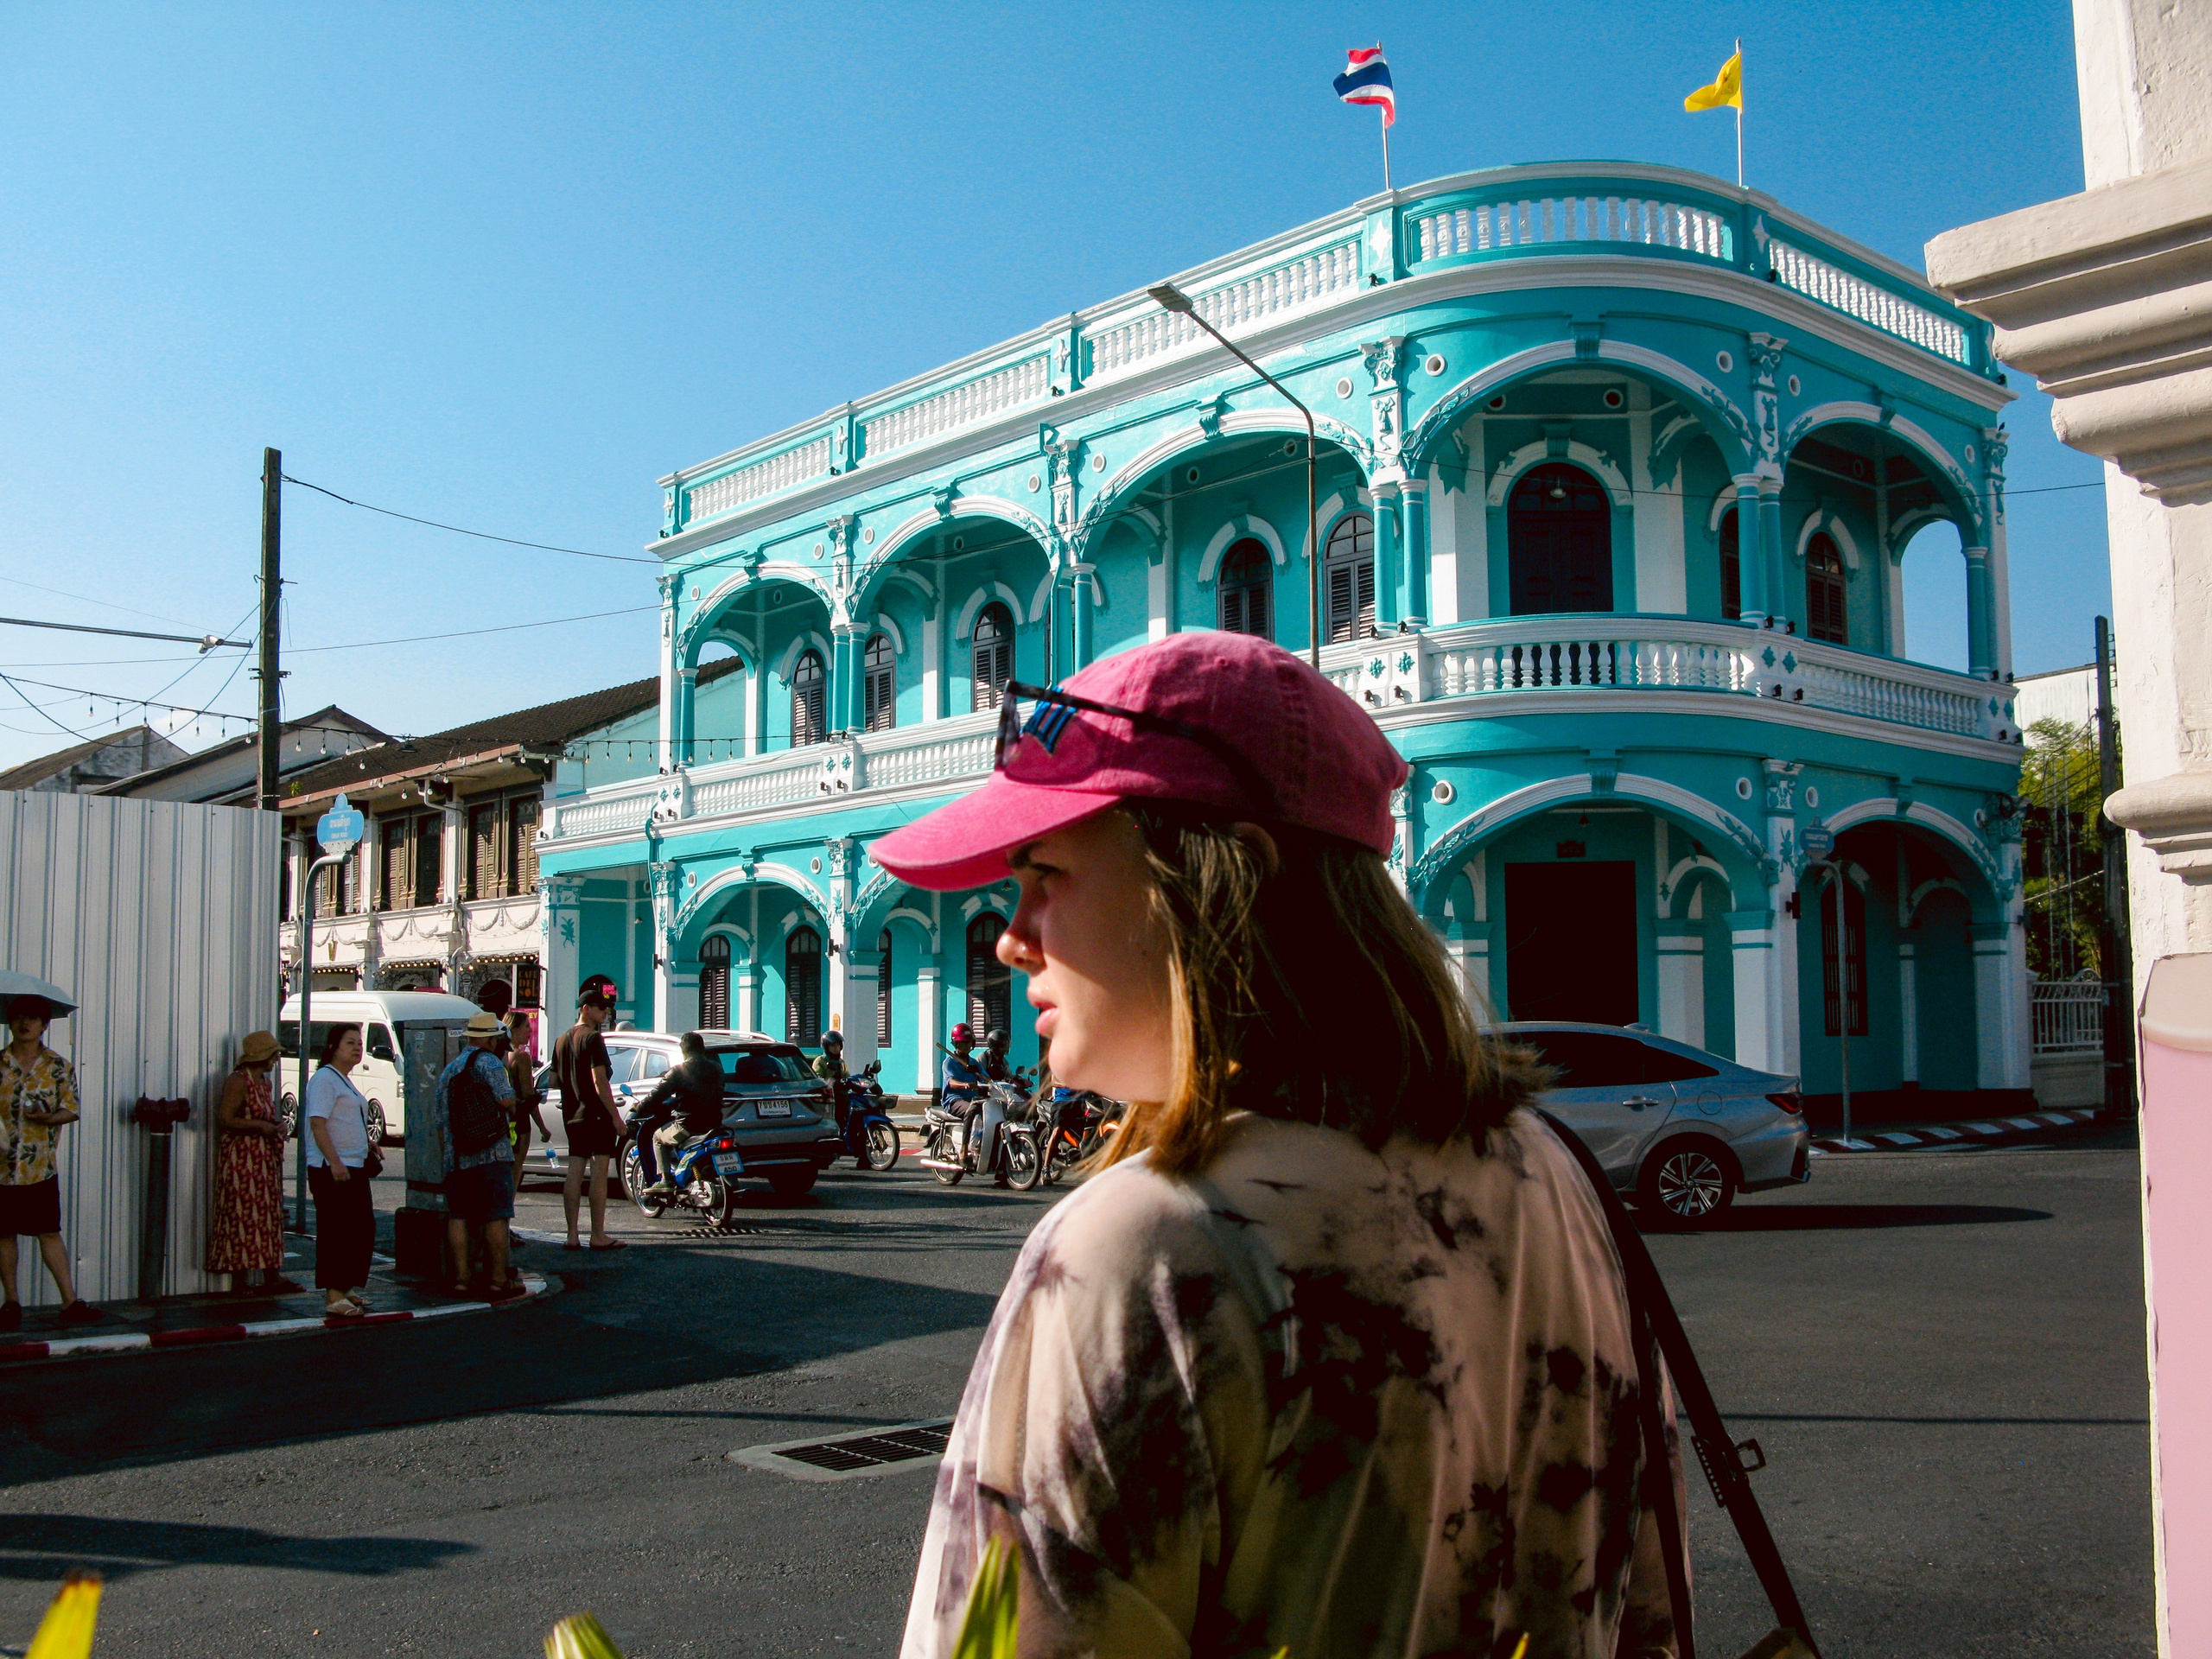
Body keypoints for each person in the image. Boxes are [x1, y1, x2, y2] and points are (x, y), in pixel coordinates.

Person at [876, 631, 1680, 1658]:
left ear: (1219, 886)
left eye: (1047, 875)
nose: (1010, 937)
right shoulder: (1553, 1175)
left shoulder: (1153, 1243)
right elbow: (1649, 1600)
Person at [0, 995, 98, 1331]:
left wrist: (48, 1118)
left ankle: (70, 1302)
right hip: (1, 1166)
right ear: (9, 1023)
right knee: (3, 1234)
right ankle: (11, 1302)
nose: (24, 1023)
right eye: (18, 1017)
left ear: (44, 1025)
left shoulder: (58, 1066)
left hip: (39, 1165)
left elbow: (72, 1108)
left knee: (49, 1232)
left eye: (32, 1018)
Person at [431, 1011, 524, 1300]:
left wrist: (448, 1156)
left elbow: (440, 1121)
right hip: (491, 1153)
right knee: (496, 1215)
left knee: (459, 1216)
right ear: (492, 1040)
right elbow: (506, 1100)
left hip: (457, 1158)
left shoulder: (450, 1070)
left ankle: (462, 1279)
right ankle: (498, 1280)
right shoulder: (490, 1063)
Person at [207, 1030, 300, 1296]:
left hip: (263, 1159)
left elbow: (263, 1116)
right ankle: (240, 1280)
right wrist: (259, 1126)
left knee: (268, 1216)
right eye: (273, 1055)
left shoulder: (264, 1083)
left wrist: (276, 1125)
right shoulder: (238, 1081)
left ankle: (272, 1275)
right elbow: (225, 1119)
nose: (276, 1060)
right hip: (241, 1159)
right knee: (242, 1215)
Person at [303, 1023, 379, 1318]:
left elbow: (345, 1120)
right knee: (337, 1230)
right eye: (350, 1042)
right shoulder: (325, 1079)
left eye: (359, 1042)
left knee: (360, 1228)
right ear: (333, 1047)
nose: (357, 1047)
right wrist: (334, 1161)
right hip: (333, 1167)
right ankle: (333, 1294)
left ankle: (346, 1286)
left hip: (354, 1164)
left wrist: (367, 1142)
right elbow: (317, 1123)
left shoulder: (344, 1080)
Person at [554, 978, 626, 1251]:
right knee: (598, 1173)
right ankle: (598, 1234)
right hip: (595, 1114)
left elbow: (555, 1080)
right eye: (601, 1008)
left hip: (572, 1114)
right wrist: (615, 1117)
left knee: (574, 1171)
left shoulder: (561, 1040)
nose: (606, 1012)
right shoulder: (593, 1038)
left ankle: (572, 1235)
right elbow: (600, 1081)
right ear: (586, 1009)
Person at [634, 1032, 727, 1199]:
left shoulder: (678, 1071)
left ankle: (665, 1179)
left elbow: (656, 1095)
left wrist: (639, 1109)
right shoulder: (717, 1069)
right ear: (703, 1049)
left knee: (657, 1137)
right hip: (714, 1124)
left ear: (683, 1051)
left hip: (688, 1126)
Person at [939, 1023, 1001, 1176]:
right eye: (964, 1043)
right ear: (956, 1044)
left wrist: (994, 1084)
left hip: (974, 1099)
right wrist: (965, 1085)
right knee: (971, 1109)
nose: (967, 1045)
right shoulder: (949, 1062)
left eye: (969, 1042)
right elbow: (950, 1082)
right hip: (954, 1100)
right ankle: (964, 1149)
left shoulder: (974, 1063)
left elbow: (986, 1078)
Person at [503, 1010, 550, 1167]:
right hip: (520, 1121)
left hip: (504, 1119)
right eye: (526, 1026)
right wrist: (542, 1128)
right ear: (514, 1029)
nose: (530, 1030)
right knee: (516, 1170)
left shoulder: (502, 1055)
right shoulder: (521, 1057)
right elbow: (529, 1096)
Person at [814, 1028, 851, 1133]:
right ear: (826, 1046)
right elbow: (818, 1079)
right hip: (829, 1099)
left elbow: (847, 1076)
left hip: (843, 1096)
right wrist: (831, 1082)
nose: (836, 1048)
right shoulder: (820, 1061)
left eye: (838, 1045)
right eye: (833, 1045)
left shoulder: (841, 1062)